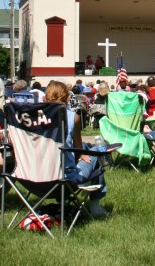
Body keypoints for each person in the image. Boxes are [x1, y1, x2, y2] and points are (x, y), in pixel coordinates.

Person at [44, 80, 108, 217]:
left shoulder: (33, 117)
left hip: (36, 177)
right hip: (65, 179)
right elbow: (79, 152)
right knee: (96, 152)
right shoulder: (73, 118)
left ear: (45, 98)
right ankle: (95, 206)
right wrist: (80, 155)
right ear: (67, 99)